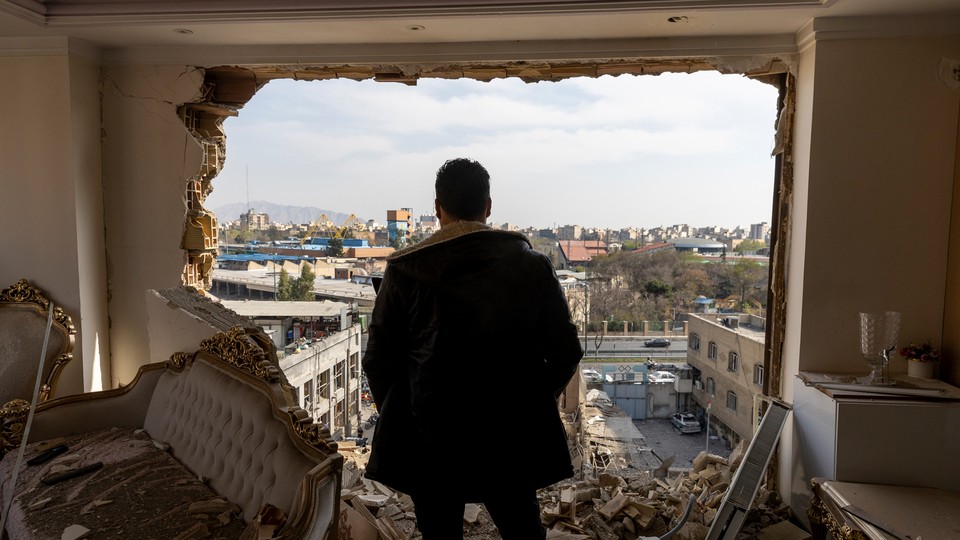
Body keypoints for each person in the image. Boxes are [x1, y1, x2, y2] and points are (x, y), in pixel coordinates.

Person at [362, 158, 584, 540]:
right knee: (522, 530)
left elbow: (379, 362)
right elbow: (565, 351)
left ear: (437, 209)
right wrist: (529, 402)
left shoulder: (403, 272)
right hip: (508, 434)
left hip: (431, 438)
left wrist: (408, 412)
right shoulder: (531, 267)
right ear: (488, 207)